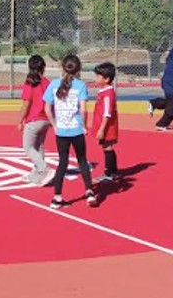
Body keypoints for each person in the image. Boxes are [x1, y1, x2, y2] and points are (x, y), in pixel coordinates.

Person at [43, 54, 96, 208]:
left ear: (62, 68)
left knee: (62, 164)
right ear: (78, 69)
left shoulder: (53, 84)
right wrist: (84, 126)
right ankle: (89, 191)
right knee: (82, 161)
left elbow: (47, 107)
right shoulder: (80, 85)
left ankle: (57, 197)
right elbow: (84, 109)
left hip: (61, 132)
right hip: (76, 130)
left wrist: (54, 124)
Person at [17, 54, 54, 185]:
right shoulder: (47, 83)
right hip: (46, 119)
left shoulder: (30, 82)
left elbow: (26, 103)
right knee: (39, 147)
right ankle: (37, 174)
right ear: (43, 67)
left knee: (28, 148)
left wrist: (20, 120)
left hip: (34, 119)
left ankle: (44, 169)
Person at [91, 62, 121, 184]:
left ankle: (108, 174)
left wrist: (102, 130)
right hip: (104, 126)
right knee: (107, 147)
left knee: (107, 147)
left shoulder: (108, 94)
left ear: (106, 79)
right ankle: (113, 171)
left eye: (98, 76)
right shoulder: (103, 92)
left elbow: (107, 113)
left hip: (107, 127)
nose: (96, 79)